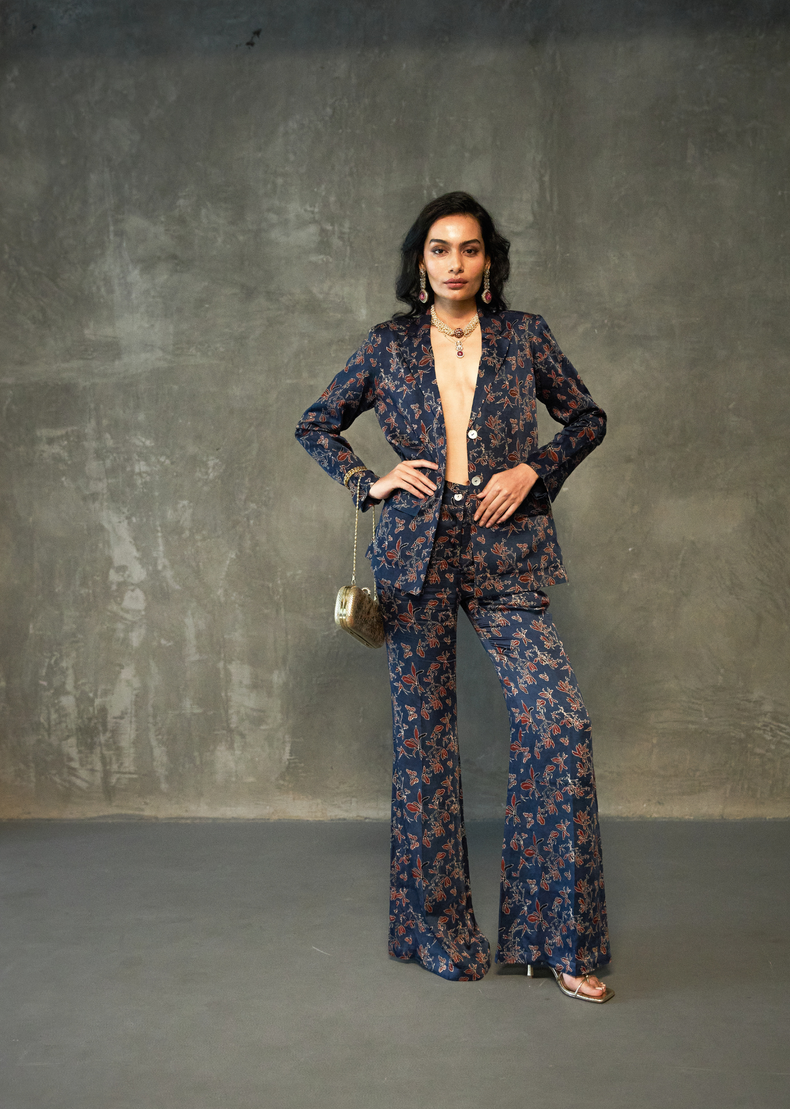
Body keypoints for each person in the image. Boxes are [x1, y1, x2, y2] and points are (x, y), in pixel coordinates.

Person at [296, 192, 613, 1001]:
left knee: (559, 723)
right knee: (425, 745)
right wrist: (369, 481)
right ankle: (436, 931)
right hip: (416, 555)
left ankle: (557, 938)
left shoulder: (525, 335)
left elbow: (586, 417)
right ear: (421, 262)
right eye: (440, 249)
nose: (455, 263)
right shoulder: (389, 344)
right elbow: (317, 423)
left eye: (470, 249)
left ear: (488, 261)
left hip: (507, 546)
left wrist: (534, 468)